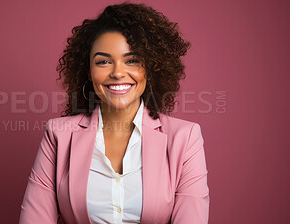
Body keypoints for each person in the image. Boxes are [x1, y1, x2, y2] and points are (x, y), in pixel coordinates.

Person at [19, 2, 209, 224]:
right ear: (88, 72)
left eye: (132, 60)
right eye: (104, 61)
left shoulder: (185, 138)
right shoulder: (58, 136)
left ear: (151, 67)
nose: (118, 72)